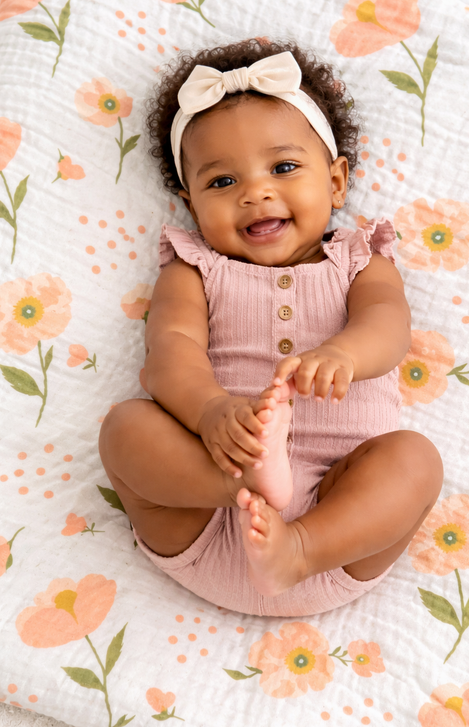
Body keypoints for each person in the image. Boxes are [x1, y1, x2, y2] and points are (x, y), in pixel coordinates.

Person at [98, 38, 443, 617]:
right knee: (124, 427)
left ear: (336, 182)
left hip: (336, 540)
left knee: (415, 461)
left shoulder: (360, 260)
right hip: (203, 519)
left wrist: (345, 356)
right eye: (220, 182)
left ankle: (298, 546)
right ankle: (245, 482)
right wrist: (209, 411)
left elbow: (388, 323)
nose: (255, 193)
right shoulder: (195, 268)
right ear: (189, 205)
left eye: (283, 168)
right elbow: (169, 350)